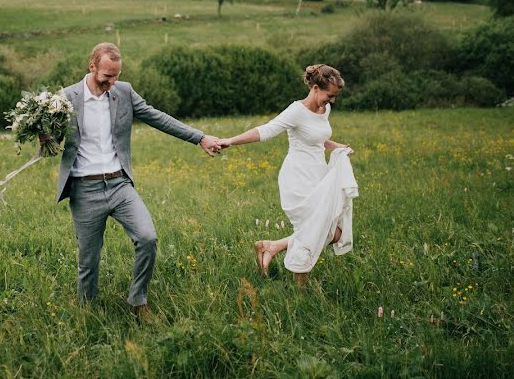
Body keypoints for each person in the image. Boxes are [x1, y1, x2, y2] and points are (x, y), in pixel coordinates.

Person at [51, 43, 222, 321]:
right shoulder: (66, 97)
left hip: (119, 185)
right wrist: (43, 137)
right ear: (92, 66)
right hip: (85, 189)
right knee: (88, 261)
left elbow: (158, 118)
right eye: (107, 76)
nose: (112, 82)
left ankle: (138, 300)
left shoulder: (123, 92)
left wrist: (199, 137)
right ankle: (87, 314)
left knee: (147, 237)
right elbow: (51, 139)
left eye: (116, 75)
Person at [218, 64, 358, 286]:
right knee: (309, 232)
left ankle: (272, 246)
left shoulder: (325, 110)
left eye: (334, 97)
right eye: (329, 96)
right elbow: (266, 130)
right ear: (314, 88)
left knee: (334, 233)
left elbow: (317, 138)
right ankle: (300, 293)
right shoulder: (296, 111)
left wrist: (336, 146)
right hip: (298, 178)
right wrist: (230, 141)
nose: (332, 101)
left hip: (318, 175)